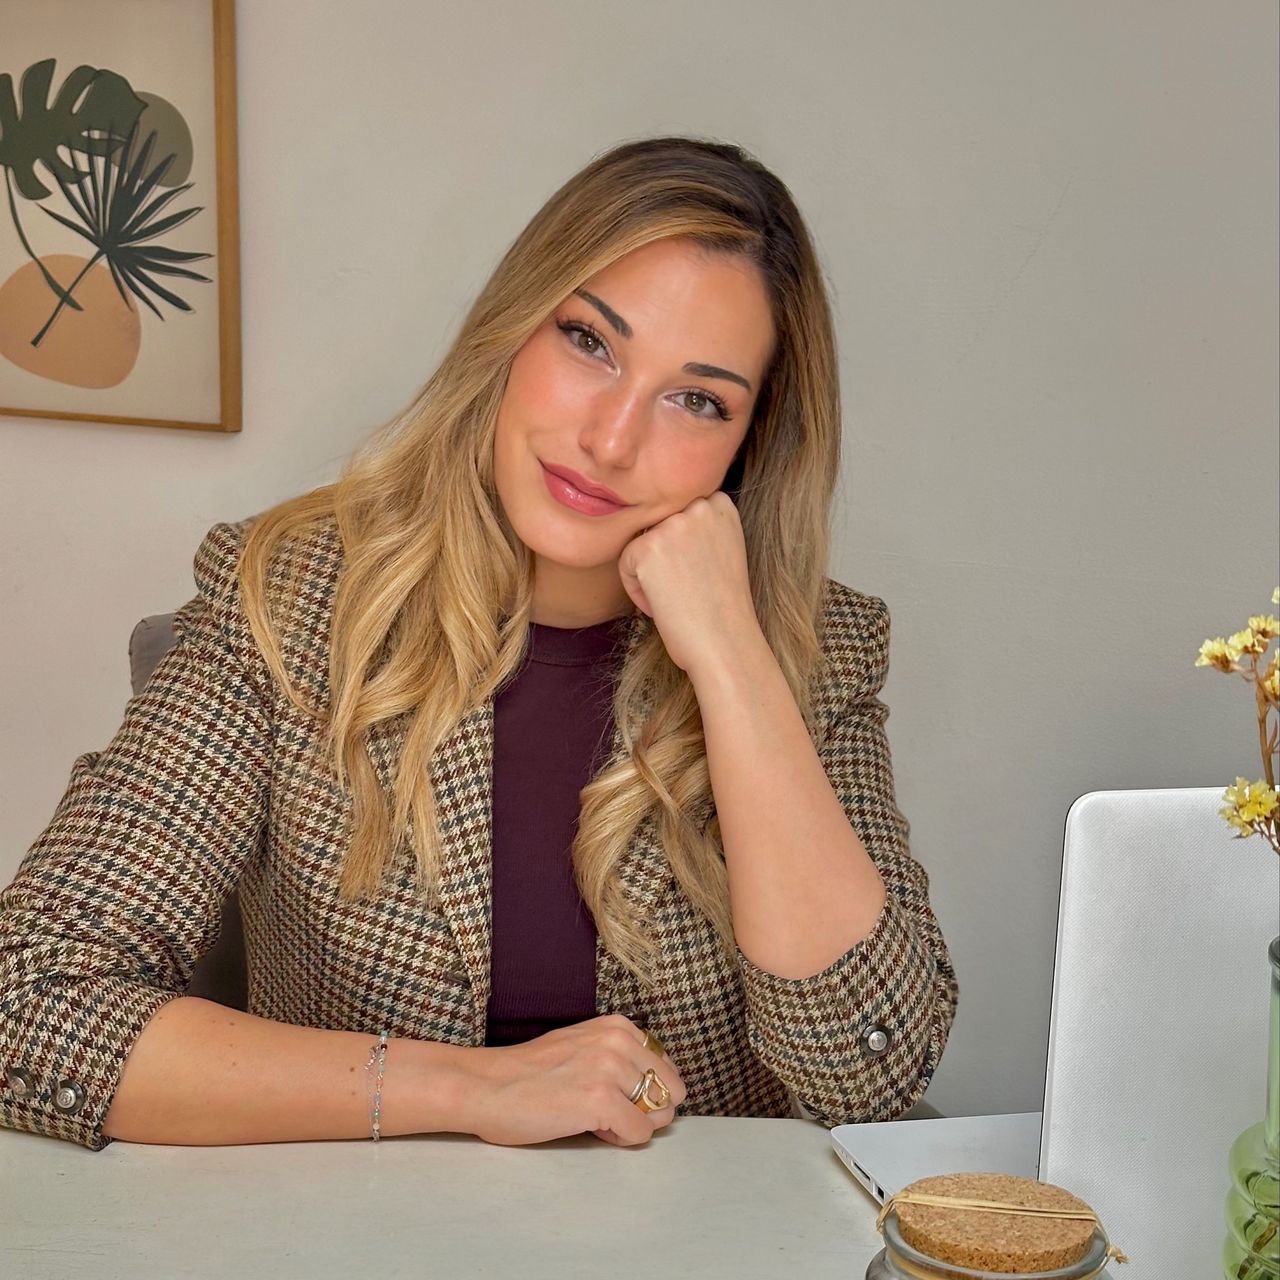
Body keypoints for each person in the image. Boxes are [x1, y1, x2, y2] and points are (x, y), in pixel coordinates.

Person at [0, 136, 958, 1153]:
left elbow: (868, 1070)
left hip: (697, 1229)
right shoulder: (288, 598)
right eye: (589, 342)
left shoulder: (816, 651)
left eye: (697, 400)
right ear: (512, 331)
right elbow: (29, 998)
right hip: (358, 1220)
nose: (611, 440)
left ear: (748, 445)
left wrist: (732, 659)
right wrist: (469, 1088)